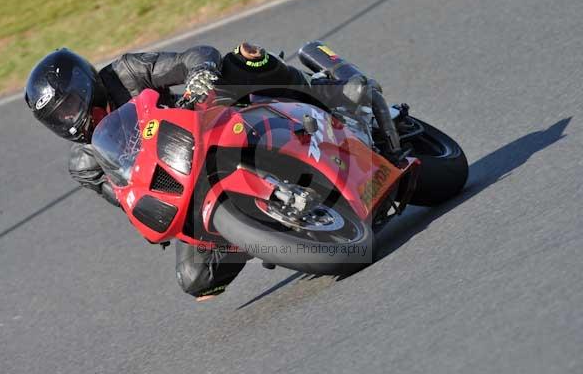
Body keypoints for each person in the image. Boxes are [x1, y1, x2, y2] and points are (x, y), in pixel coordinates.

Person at [24, 42, 372, 301]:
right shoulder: (85, 162)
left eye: (70, 106)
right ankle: (267, 233)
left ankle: (326, 95)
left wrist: (199, 75)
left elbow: (193, 56)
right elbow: (127, 199)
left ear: (87, 84)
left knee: (241, 59)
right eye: (59, 117)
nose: (71, 119)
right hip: (182, 178)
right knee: (197, 279)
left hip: (206, 121)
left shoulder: (125, 72)